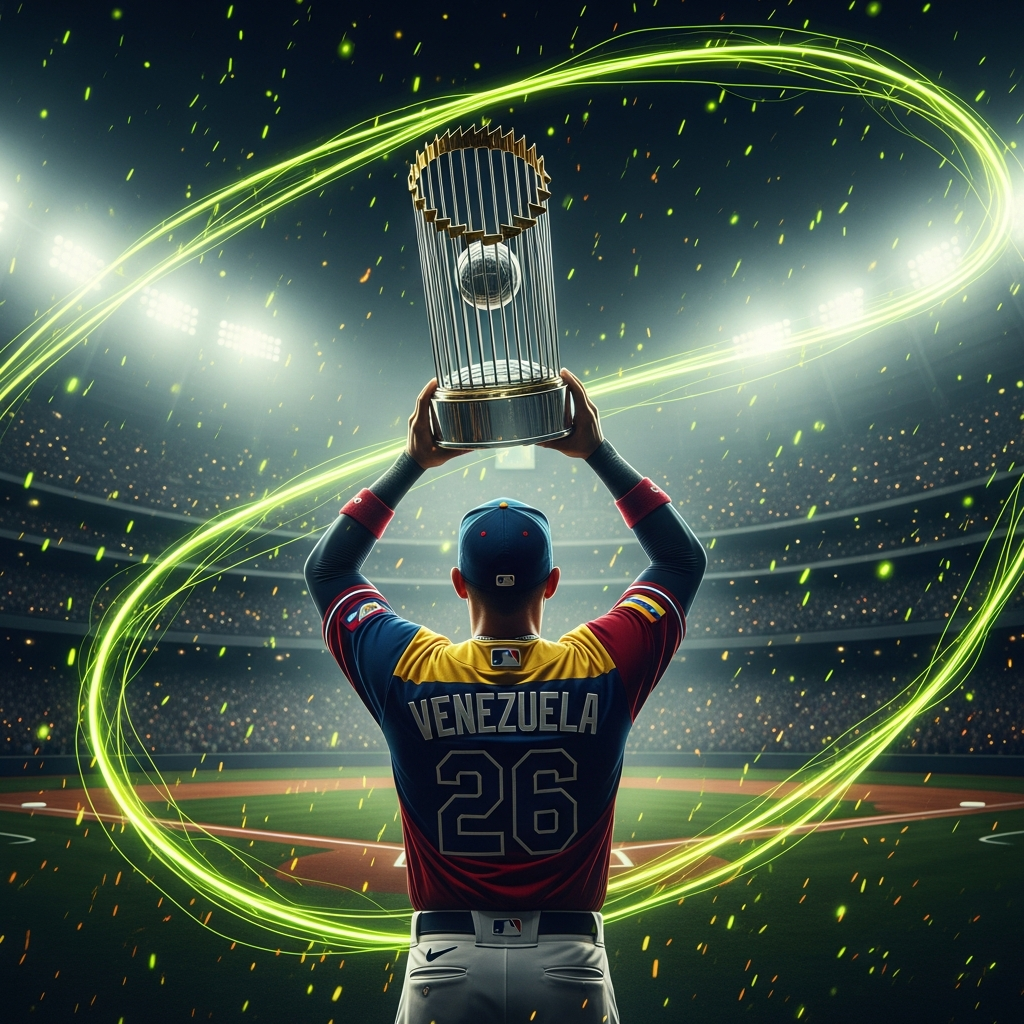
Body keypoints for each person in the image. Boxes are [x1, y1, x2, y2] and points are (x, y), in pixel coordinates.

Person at [304, 369, 706, 1024]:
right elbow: (682, 561)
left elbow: (327, 568)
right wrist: (595, 452)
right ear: (550, 583)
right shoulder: (601, 663)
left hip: (446, 963)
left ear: (461, 583)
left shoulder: (412, 667)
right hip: (569, 962)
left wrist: (412, 463)